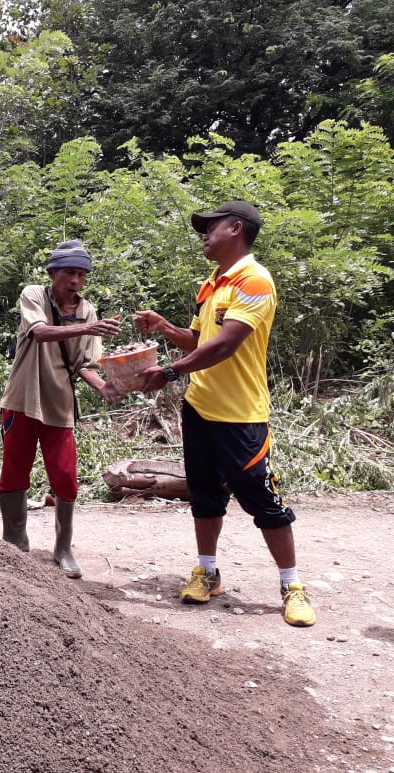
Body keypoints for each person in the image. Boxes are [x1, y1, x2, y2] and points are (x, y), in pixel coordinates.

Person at [133, 200, 315, 627]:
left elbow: (226, 344)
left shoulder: (255, 280)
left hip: (241, 414)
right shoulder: (212, 283)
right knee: (204, 494)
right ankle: (207, 572)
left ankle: (291, 584)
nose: (204, 235)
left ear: (235, 229)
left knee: (263, 498)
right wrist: (163, 327)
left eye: (210, 228)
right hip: (200, 408)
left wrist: (169, 372)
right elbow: (198, 341)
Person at [0, 240, 121, 577]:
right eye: (69, 272)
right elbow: (40, 333)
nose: (75, 280)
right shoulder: (34, 295)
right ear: (53, 273)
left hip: (59, 403)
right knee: (14, 471)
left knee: (65, 477)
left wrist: (105, 387)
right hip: (22, 399)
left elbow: (85, 364)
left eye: (81, 274)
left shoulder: (88, 311)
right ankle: (14, 540)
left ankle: (63, 547)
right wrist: (87, 327)